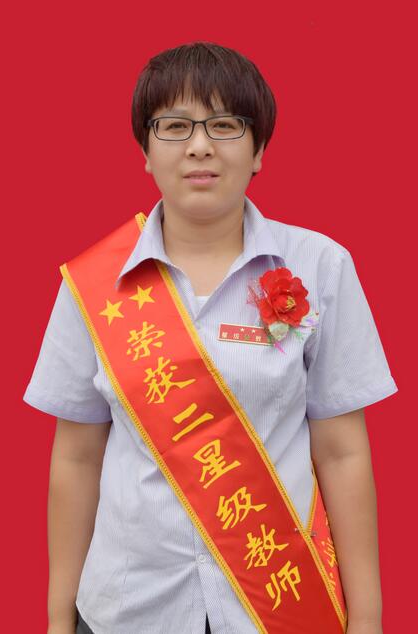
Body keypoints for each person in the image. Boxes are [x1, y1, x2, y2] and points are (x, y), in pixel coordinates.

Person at [23, 41, 398, 634]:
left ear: (259, 149)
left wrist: (368, 619)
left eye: (225, 125)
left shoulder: (321, 266)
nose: (200, 146)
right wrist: (55, 620)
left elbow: (342, 452)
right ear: (145, 151)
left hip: (277, 607)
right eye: (174, 126)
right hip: (128, 609)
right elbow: (76, 456)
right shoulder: (92, 285)